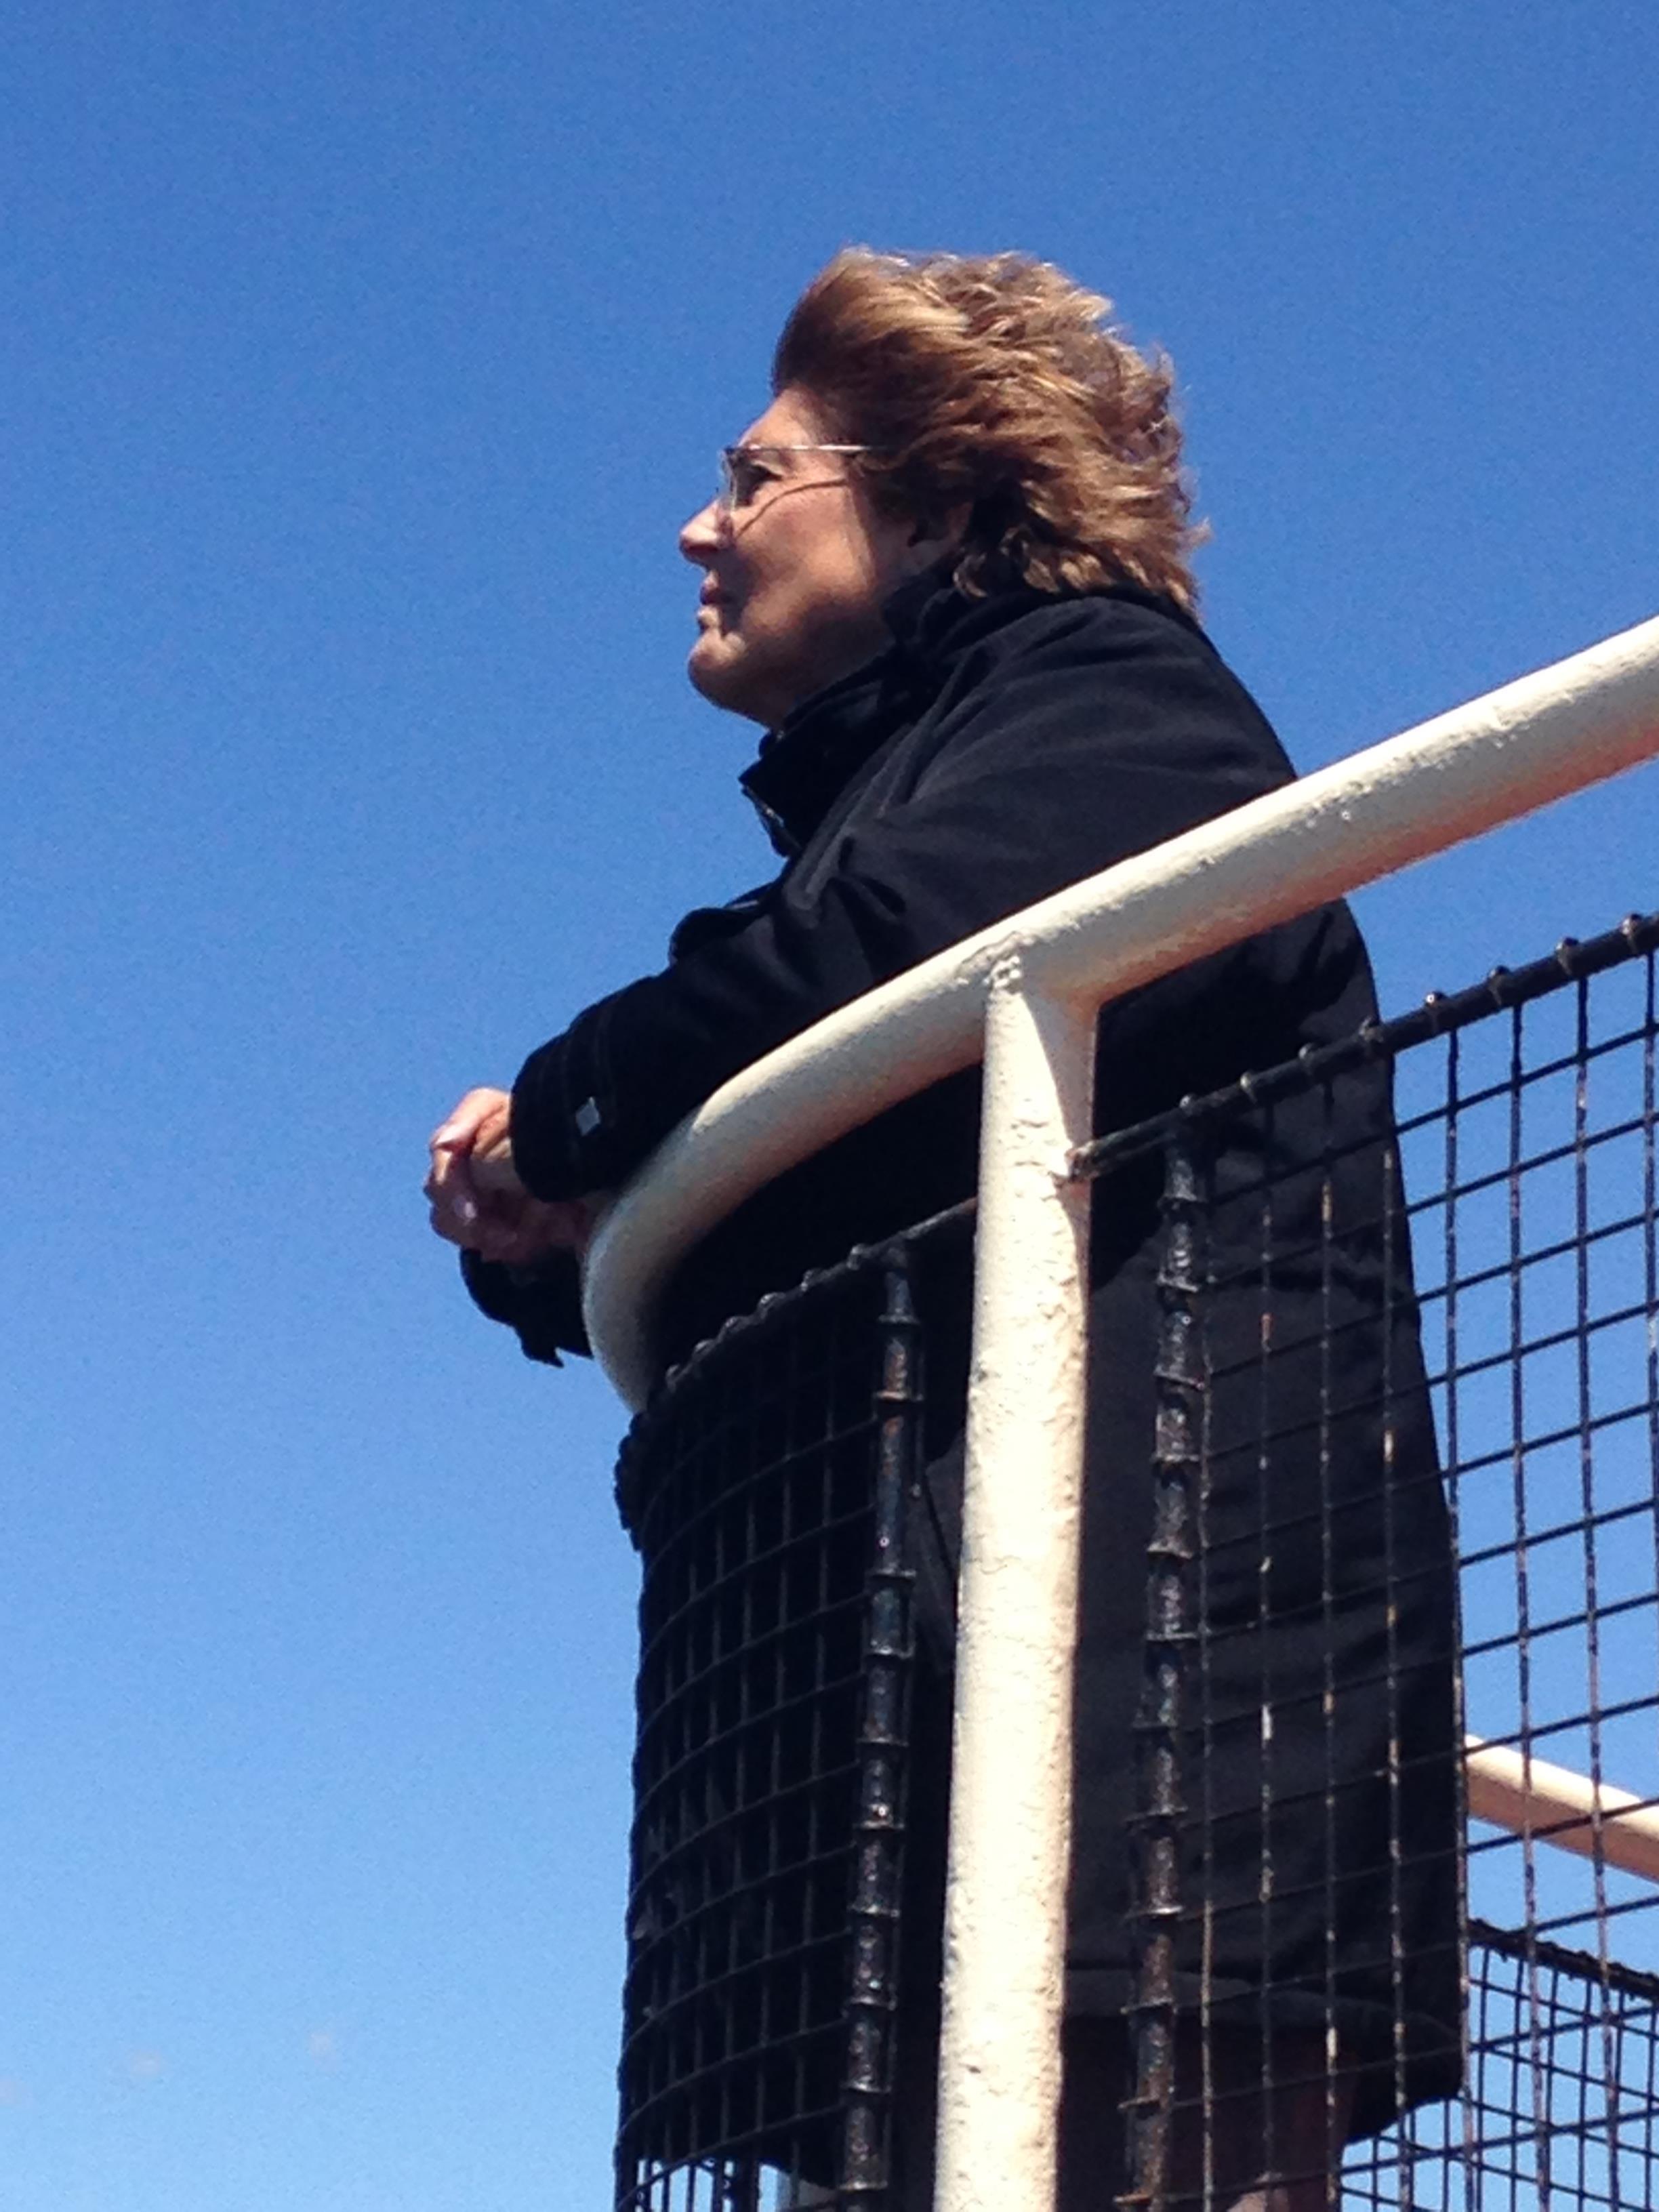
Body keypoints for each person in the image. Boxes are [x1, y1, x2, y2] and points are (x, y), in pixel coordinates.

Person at [425, 250, 1460, 2209]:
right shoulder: (937, 773)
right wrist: (559, 1229)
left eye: (755, 476)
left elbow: (878, 958)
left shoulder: (1119, 700)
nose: (699, 527)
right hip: (951, 1778)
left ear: (931, 498)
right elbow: (852, 1103)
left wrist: (570, 1105)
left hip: (1163, 1797)